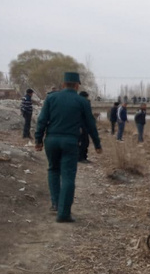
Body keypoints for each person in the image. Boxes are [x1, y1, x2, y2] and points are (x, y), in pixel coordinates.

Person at [35, 72, 102, 222]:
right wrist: (97, 144)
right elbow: (91, 125)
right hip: (70, 142)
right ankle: (64, 214)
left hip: (51, 140)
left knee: (53, 169)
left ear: (63, 84)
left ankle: (56, 204)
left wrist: (38, 140)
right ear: (77, 85)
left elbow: (42, 120)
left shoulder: (51, 98)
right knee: (68, 176)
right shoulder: (82, 102)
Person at [78, 91, 91, 163]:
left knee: (85, 142)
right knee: (83, 142)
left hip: (83, 125)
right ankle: (81, 157)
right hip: (81, 126)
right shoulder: (81, 104)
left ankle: (83, 157)